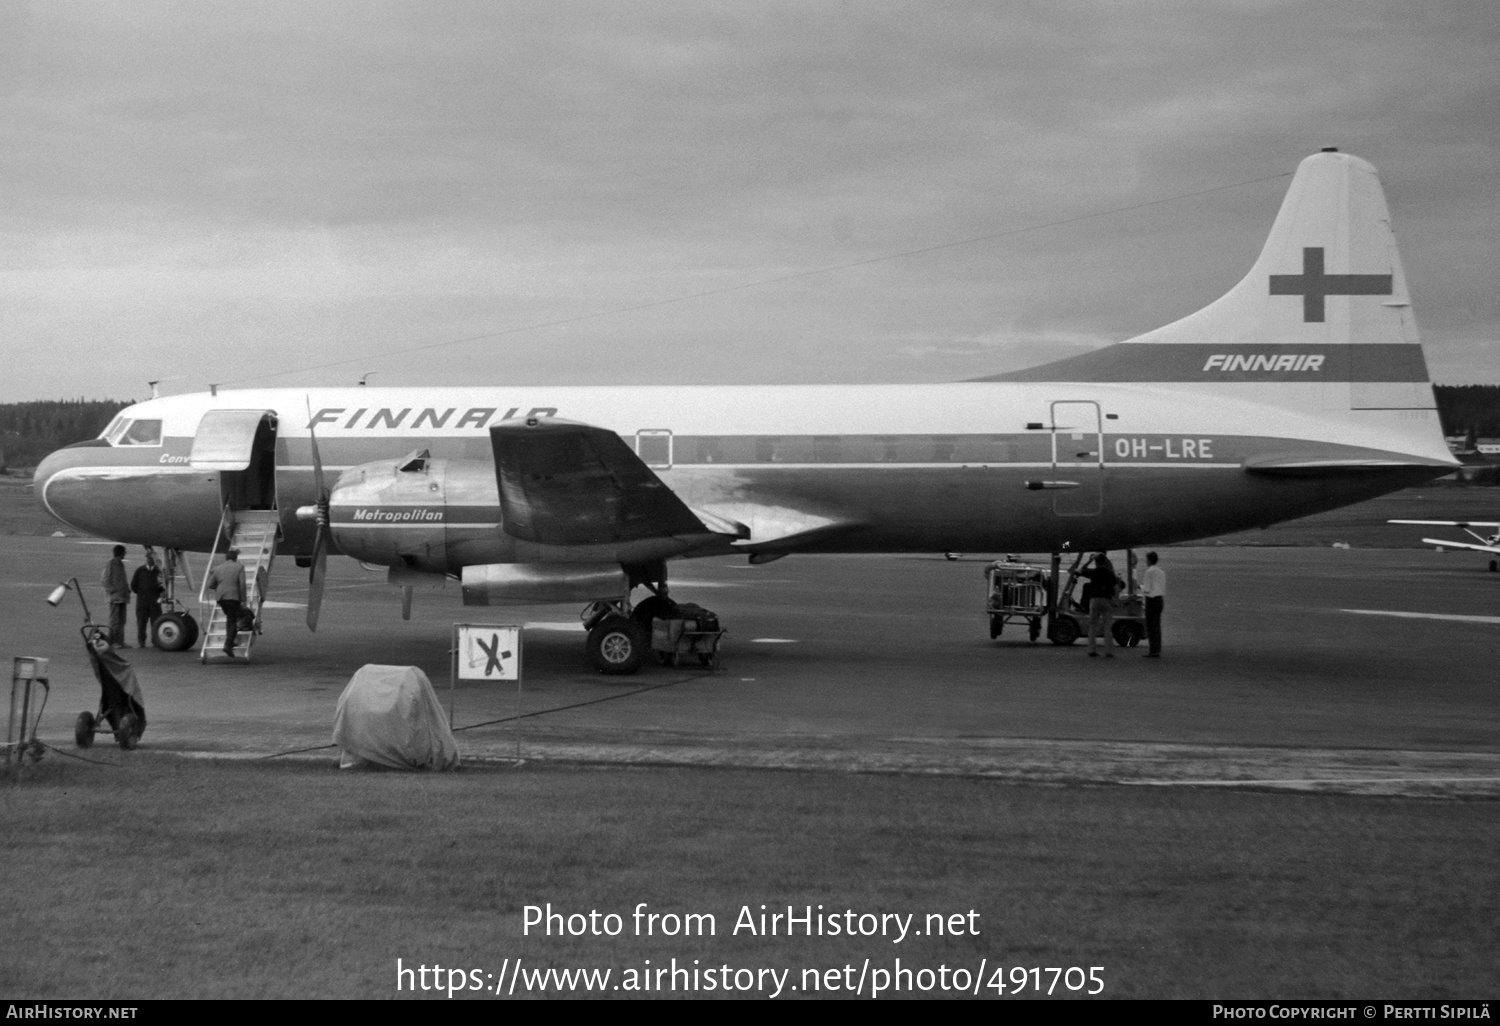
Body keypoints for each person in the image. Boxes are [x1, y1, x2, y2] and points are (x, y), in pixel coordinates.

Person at [207, 549, 247, 656]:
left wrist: (220, 588)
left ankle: (230, 642)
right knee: (233, 620)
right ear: (235, 558)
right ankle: (228, 645)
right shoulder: (239, 567)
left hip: (221, 598)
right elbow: (242, 584)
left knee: (230, 619)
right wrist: (244, 599)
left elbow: (210, 584)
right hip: (233, 597)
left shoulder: (217, 568)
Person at [1081, 552, 1118, 658]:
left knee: (1092, 626)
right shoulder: (1109, 573)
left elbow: (1082, 569)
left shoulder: (1094, 572)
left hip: (1095, 599)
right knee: (1107, 626)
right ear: (1105, 562)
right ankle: (1109, 651)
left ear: (1096, 562)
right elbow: (1115, 583)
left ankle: (1091, 650)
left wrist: (1089, 560)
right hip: (1106, 600)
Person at [130, 549, 165, 648]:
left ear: (154, 559)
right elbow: (133, 586)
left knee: (155, 622)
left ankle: (155, 641)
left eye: (151, 558)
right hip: (142, 601)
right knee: (141, 622)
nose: (149, 560)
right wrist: (142, 594)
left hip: (155, 601)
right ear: (145, 559)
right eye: (148, 558)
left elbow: (162, 586)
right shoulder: (140, 571)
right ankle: (141, 641)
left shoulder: (158, 572)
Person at [100, 544, 131, 647]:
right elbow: (104, 580)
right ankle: (111, 642)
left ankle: (120, 641)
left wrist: (126, 589)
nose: (125, 554)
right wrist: (113, 590)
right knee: (114, 620)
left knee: (122, 620)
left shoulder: (121, 564)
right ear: (120, 553)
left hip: (123, 597)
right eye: (124, 553)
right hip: (115, 598)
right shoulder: (111, 563)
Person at [1138, 550, 1166, 658]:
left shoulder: (1149, 572)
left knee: (1150, 626)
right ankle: (1157, 649)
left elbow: (1147, 589)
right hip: (1159, 599)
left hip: (1151, 600)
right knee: (1157, 626)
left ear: (1149, 560)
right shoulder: (1161, 572)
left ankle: (1153, 650)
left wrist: (1140, 587)